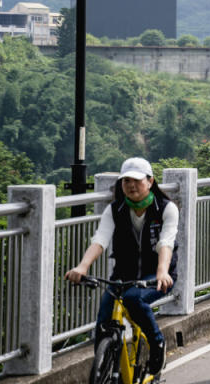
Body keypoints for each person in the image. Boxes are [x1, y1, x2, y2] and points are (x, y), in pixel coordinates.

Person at [64, 158, 177, 378]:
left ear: (150, 181)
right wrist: (82, 266)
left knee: (135, 299)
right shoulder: (116, 209)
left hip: (156, 275)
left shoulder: (165, 208)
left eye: (136, 180)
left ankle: (157, 345)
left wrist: (162, 271)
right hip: (122, 275)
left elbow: (166, 242)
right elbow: (100, 239)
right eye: (126, 181)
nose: (131, 185)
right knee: (104, 320)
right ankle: (104, 371)